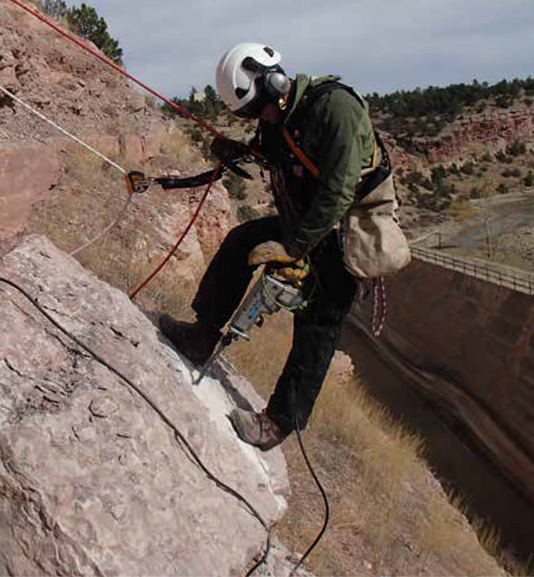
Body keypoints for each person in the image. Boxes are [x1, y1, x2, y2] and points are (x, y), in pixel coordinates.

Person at [160, 42, 385, 451]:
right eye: (249, 116)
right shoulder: (279, 116)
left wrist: (293, 249)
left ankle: (279, 422)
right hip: (303, 221)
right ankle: (202, 335)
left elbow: (337, 193)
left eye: (256, 110)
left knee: (319, 321)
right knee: (240, 242)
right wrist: (235, 149)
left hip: (344, 232)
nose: (258, 118)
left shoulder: (336, 109)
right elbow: (276, 153)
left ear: (275, 82)